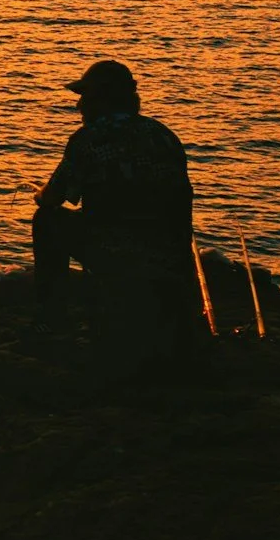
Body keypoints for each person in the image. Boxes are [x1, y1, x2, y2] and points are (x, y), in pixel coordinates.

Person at [30, 60, 203, 367]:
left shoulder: (88, 139)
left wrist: (39, 195)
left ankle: (51, 318)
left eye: (84, 97)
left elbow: (54, 197)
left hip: (115, 253)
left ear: (101, 99)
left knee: (46, 221)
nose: (79, 105)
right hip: (171, 257)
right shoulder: (163, 135)